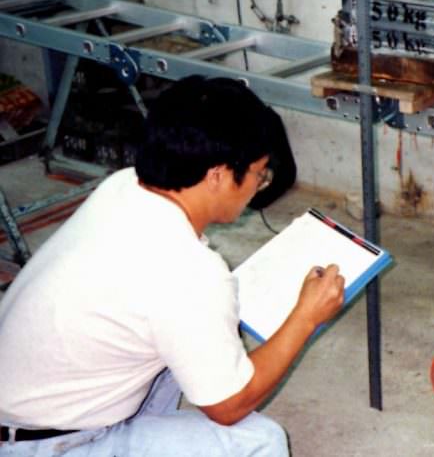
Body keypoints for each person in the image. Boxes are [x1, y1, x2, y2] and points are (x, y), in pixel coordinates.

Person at [0, 75, 345, 456]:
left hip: (25, 400)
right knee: (260, 441)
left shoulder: (125, 185)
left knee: (195, 343)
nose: (258, 186)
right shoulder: (188, 272)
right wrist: (305, 318)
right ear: (217, 175)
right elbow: (229, 407)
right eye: (259, 174)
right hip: (43, 443)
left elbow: (169, 293)